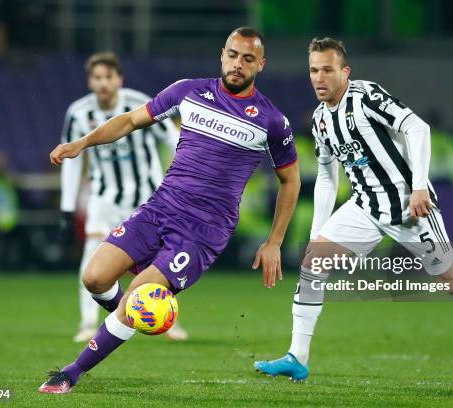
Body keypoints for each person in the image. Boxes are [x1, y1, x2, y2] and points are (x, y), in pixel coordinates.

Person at [39, 27, 300, 394]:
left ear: (261, 64)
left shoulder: (272, 121)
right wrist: (81, 144)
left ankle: (71, 372)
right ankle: (132, 316)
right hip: (160, 208)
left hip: (203, 231)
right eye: (232, 54)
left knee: (138, 298)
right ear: (221, 54)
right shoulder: (189, 91)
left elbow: (291, 181)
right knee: (94, 278)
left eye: (247, 59)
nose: (237, 64)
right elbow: (129, 121)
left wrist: (274, 241)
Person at [254, 37, 453, 381]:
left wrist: (418, 187)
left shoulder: (365, 96)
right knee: (313, 264)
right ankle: (298, 356)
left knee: (451, 281)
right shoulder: (322, 119)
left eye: (327, 69)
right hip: (366, 207)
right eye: (313, 70)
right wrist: (315, 235)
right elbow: (326, 175)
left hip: (410, 207)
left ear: (345, 72)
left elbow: (417, 127)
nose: (319, 77)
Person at [59, 52, 188, 342]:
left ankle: (166, 320)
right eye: (97, 77)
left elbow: (172, 138)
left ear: (119, 79)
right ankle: (88, 322)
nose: (103, 83)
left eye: (108, 77)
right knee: (92, 261)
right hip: (104, 199)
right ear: (89, 81)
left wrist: (183, 179)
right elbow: (73, 161)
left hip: (147, 198)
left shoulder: (138, 104)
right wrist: (67, 209)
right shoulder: (79, 113)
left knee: (159, 264)